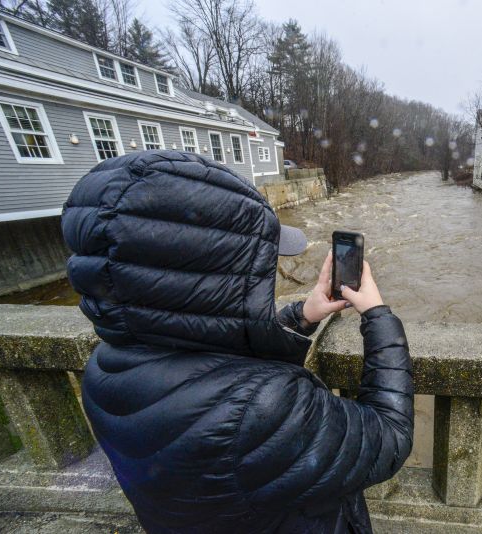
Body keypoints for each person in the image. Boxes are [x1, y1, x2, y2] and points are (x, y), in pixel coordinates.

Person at [61, 151, 414, 533]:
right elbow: (389, 436)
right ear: (215, 275)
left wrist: (301, 316)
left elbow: (211, 347)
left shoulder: (103, 370)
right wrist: (378, 316)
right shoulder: (262, 407)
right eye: (258, 264)